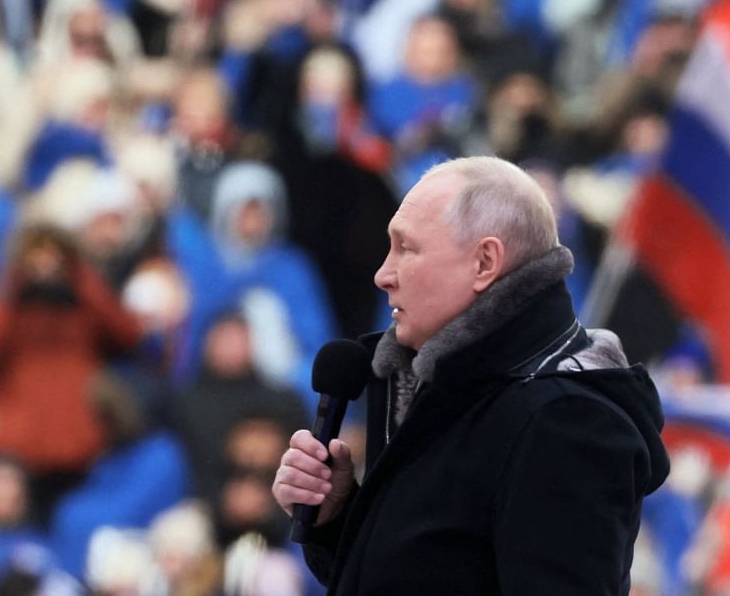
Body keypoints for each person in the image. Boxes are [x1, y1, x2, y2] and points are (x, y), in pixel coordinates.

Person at [271, 156, 670, 594]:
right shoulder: (444, 385)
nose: (383, 274)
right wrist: (340, 520)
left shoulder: (564, 419)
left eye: (407, 248)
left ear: (484, 262)